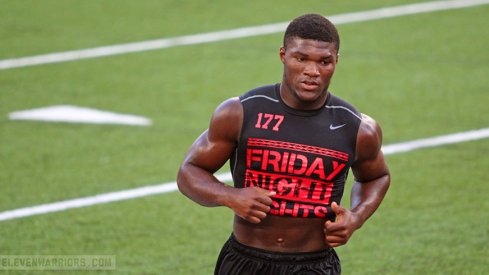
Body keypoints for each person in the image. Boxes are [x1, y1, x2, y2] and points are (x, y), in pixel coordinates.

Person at [177, 13, 390, 275]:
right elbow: (189, 171)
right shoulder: (240, 112)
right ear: (283, 55)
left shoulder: (357, 127)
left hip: (315, 265)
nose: (312, 72)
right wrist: (230, 196)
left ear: (336, 62)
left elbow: (377, 176)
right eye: (301, 58)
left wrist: (356, 217)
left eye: (324, 62)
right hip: (244, 260)